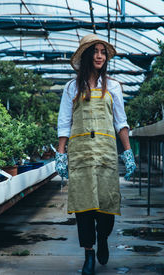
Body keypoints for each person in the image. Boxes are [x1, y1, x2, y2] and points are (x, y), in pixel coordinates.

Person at [55, 34, 136, 275]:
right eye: (95, 51)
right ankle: (88, 253)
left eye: (103, 51)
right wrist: (61, 153)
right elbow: (64, 122)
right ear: (87, 56)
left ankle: (103, 237)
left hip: (105, 153)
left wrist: (128, 152)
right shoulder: (72, 87)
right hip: (80, 154)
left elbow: (121, 122)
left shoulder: (113, 87)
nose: (100, 55)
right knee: (84, 207)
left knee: (106, 204)